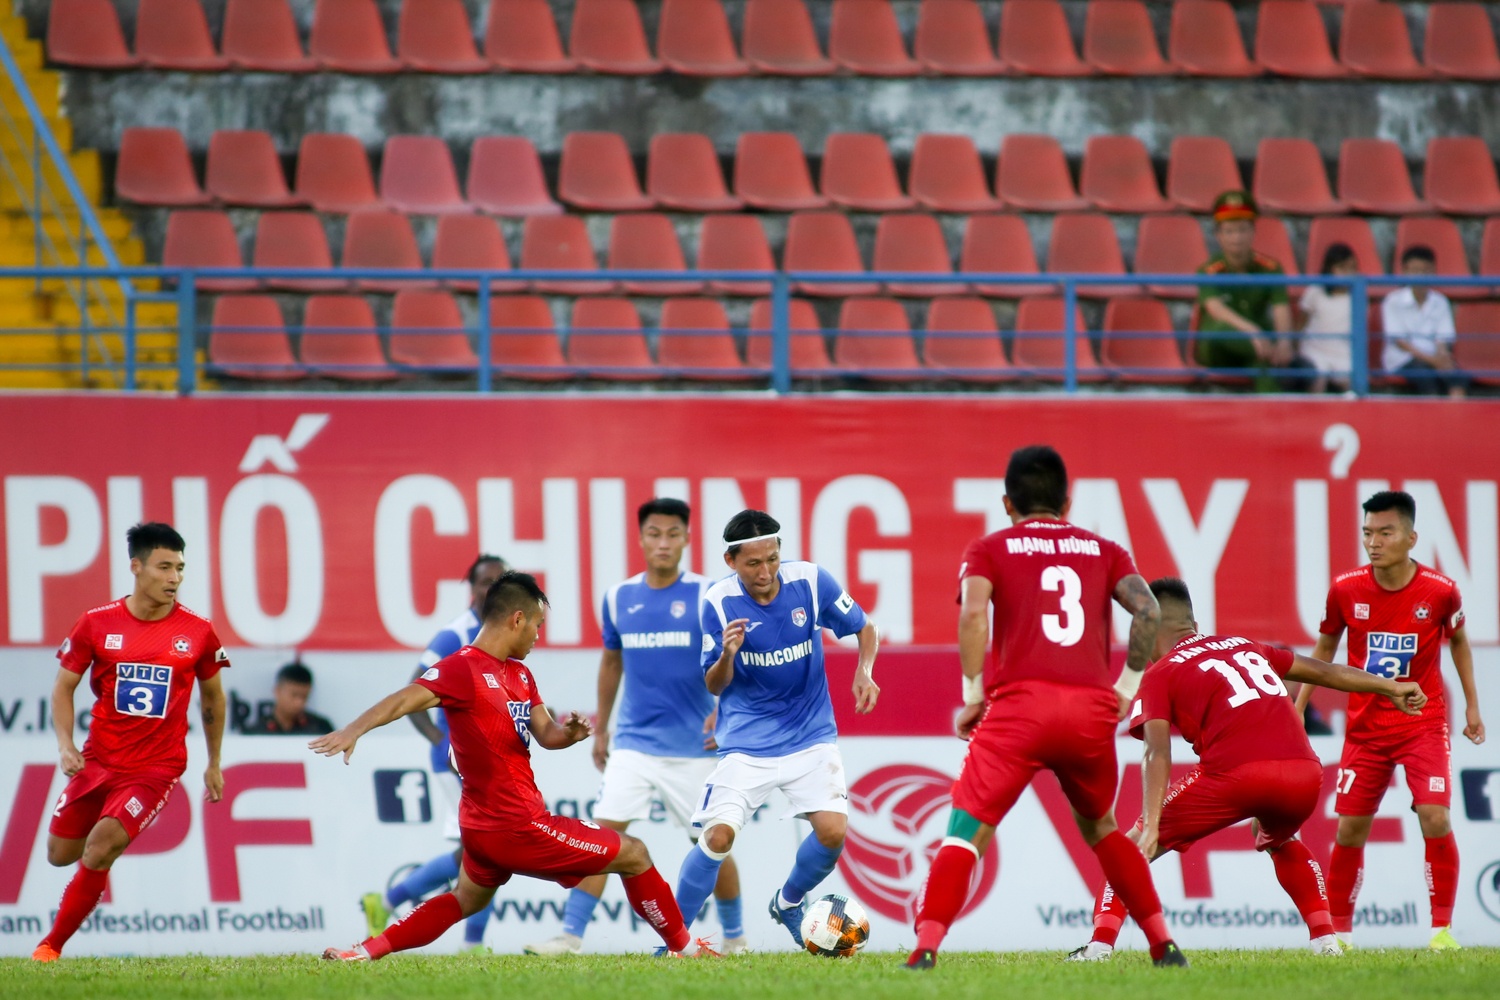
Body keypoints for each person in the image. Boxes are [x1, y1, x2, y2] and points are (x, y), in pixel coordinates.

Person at [314, 572, 712, 961]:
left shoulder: (520, 674)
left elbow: (545, 734)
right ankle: (686, 949)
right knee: (635, 853)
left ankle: (363, 952)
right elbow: (403, 700)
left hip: (483, 828)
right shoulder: (461, 668)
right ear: (516, 619)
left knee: (463, 899)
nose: (538, 636)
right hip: (516, 824)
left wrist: (567, 733)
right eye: (537, 625)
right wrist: (353, 729)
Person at [906, 445, 1184, 971]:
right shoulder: (1104, 549)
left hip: (1020, 709)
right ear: (1068, 501)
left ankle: (925, 950)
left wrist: (971, 696)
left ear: (1007, 503)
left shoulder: (990, 548)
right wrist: (1124, 689)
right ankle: (1162, 943)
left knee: (966, 829)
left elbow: (972, 614)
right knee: (1101, 828)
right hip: (1089, 714)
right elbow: (1148, 609)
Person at [1067, 577, 1427, 961]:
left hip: (1236, 775)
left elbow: (1157, 753)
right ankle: (1325, 942)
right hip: (1305, 775)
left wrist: (1151, 824)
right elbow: (1325, 671)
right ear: (1193, 624)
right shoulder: (1246, 646)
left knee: (1128, 847)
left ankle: (1099, 947)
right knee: (1279, 837)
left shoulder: (1161, 672)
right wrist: (1390, 687)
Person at [526, 499, 745, 956]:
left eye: (672, 534)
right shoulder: (618, 597)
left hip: (694, 748)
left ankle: (735, 938)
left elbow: (735, 658)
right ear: (641, 538)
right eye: (654, 533)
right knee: (603, 838)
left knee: (711, 844)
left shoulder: (710, 594)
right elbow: (611, 663)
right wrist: (602, 730)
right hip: (633, 745)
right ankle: (570, 937)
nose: (663, 543)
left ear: (687, 538)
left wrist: (726, 712)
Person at [673, 509, 879, 951]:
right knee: (717, 838)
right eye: (753, 563)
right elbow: (713, 683)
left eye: (772, 559)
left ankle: (788, 903)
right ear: (731, 562)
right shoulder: (718, 602)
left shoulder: (809, 581)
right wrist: (728, 654)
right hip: (747, 743)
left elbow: (865, 628)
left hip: (810, 734)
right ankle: (670, 943)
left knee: (833, 832)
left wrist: (864, 670)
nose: (765, 572)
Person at [1295, 490, 1485, 950]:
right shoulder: (1345, 589)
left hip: (1422, 722)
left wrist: (1472, 707)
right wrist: (1297, 707)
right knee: (1349, 829)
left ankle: (1441, 932)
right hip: (1365, 726)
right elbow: (1323, 650)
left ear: (1411, 537)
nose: (1374, 542)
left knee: (1436, 817)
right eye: (1367, 533)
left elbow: (1458, 642)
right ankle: (1339, 934)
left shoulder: (1441, 591)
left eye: (1385, 532)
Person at [32, 522, 229, 962]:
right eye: (164, 567)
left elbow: (213, 697)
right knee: (59, 854)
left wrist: (214, 761)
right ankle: (78, 894)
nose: (174, 578)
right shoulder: (96, 623)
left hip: (155, 768)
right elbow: (63, 688)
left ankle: (50, 947)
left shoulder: (197, 631)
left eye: (180, 568)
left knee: (102, 846)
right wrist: (66, 745)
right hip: (98, 760)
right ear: (136, 568)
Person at [361, 554, 507, 953]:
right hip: (457, 764)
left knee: (476, 854)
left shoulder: (504, 631)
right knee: (486, 854)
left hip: (488, 763)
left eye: (499, 582)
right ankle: (473, 944)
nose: (491, 589)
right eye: (484, 582)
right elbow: (413, 689)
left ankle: (387, 901)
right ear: (471, 588)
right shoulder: (455, 635)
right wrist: (438, 742)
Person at [1196, 190, 1311, 391]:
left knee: (1261, 366)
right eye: (1229, 231)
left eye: (1242, 230)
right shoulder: (1209, 270)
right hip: (1220, 349)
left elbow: (1281, 307)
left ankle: (1275, 411)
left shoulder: (1270, 268)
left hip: (1257, 349)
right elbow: (1216, 310)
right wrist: (1253, 332)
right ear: (1218, 235)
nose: (1236, 238)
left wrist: (1284, 342)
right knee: (1221, 330)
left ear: (1253, 231)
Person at [1382, 246, 1468, 398]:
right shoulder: (1392, 301)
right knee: (1426, 376)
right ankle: (1432, 418)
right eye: (1415, 270)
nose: (1420, 275)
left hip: (1434, 358)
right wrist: (1433, 361)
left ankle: (1455, 417)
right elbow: (1401, 343)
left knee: (1458, 378)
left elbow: (1442, 338)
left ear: (1433, 270)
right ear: (1405, 270)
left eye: (1425, 270)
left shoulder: (1440, 301)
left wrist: (1442, 358)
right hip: (1404, 359)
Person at [1297, 242, 1357, 394]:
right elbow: (1300, 324)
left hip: (1343, 351)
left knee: (1353, 382)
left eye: (1352, 268)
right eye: (1343, 268)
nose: (1349, 273)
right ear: (1330, 269)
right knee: (1318, 379)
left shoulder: (1357, 296)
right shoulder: (1315, 291)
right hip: (1314, 349)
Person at [242, 661, 334, 735]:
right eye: (294, 695)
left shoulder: (321, 729)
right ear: (277, 691)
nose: (299, 702)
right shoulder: (256, 732)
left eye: (304, 697)